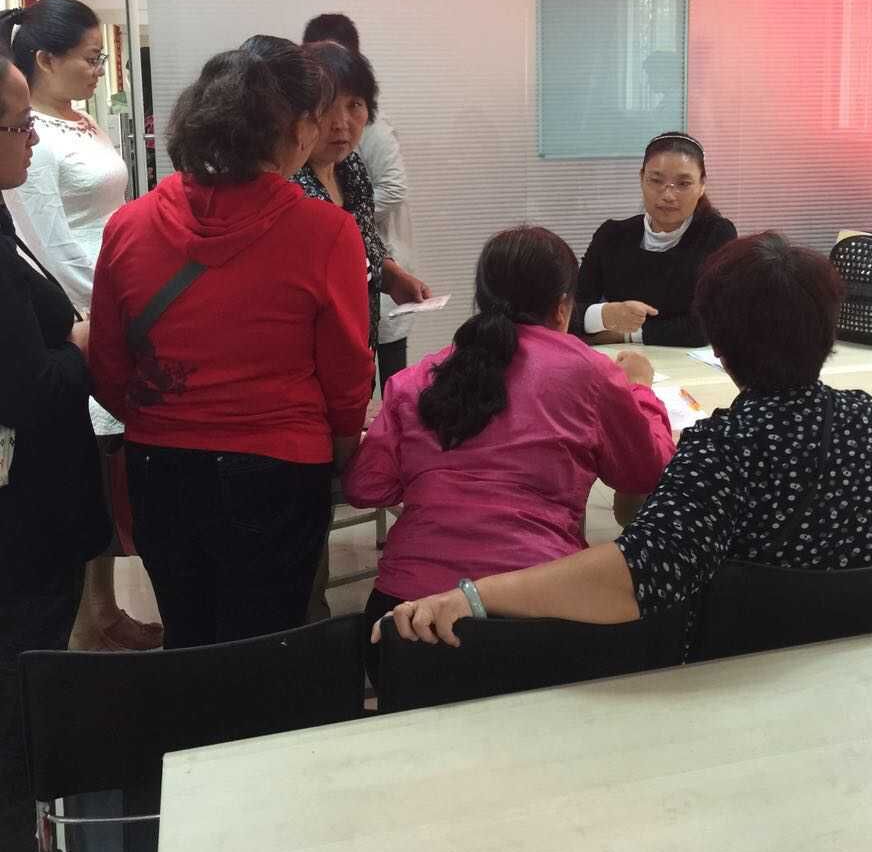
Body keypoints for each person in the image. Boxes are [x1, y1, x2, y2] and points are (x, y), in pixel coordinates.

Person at [375, 233, 872, 648]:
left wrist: (472, 596)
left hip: (736, 670)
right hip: (860, 655)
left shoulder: (720, 449)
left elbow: (633, 576)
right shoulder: (869, 419)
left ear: (720, 348)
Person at [89, 38, 373, 648]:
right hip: (278, 469)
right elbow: (347, 372)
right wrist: (346, 448)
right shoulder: (326, 232)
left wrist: (168, 416)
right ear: (296, 128)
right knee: (266, 643)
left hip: (158, 466)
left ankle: (189, 713)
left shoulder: (129, 225)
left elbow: (108, 363)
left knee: (188, 634)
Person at [344, 225, 674, 679]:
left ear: (481, 299)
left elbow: (365, 486)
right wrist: (640, 390)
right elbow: (647, 471)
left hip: (404, 621)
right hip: (533, 613)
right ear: (562, 306)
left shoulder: (419, 379)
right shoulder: (589, 374)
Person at [0, 0, 159, 652]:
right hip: (81, 304)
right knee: (84, 469)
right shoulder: (32, 143)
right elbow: (50, 244)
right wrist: (102, 315)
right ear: (45, 59)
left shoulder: (79, 122)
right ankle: (88, 622)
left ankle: (101, 609)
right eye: (91, 58)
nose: (100, 69)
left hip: (105, 301)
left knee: (95, 475)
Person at [0, 51, 111, 852]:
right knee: (19, 704)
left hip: (31, 515)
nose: (32, 141)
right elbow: (27, 389)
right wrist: (80, 346)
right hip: (23, 525)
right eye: (17, 127)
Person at [291, 39, 429, 351]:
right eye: (327, 107)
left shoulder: (351, 167)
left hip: (359, 339)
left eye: (354, 105)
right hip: (308, 350)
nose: (342, 124)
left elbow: (365, 240)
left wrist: (393, 277)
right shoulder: (289, 184)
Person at [575, 131, 736, 347]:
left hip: (687, 363)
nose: (668, 195)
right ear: (642, 178)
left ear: (702, 185)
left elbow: (708, 324)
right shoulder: (611, 235)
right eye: (656, 181)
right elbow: (569, 312)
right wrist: (605, 314)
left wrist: (626, 335)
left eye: (683, 184)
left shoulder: (716, 234)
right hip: (619, 360)